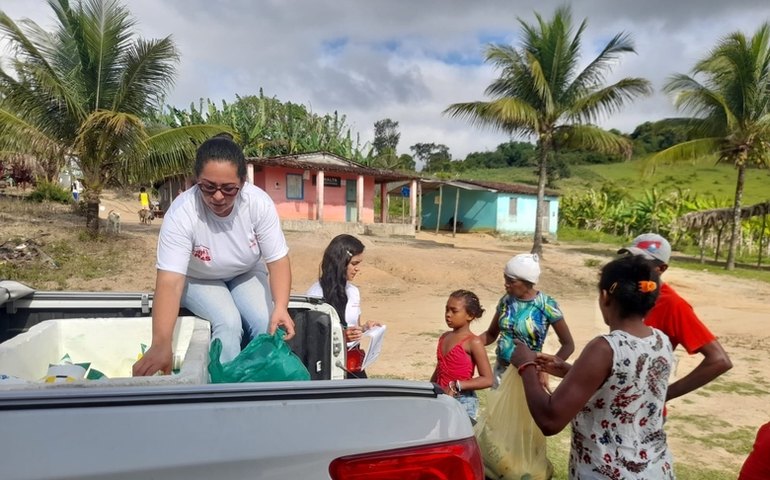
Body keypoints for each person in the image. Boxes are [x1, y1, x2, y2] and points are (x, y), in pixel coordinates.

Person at [133, 136, 294, 376]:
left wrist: (281, 306)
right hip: (198, 278)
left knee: (266, 321)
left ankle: (260, 385)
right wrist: (161, 343)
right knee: (229, 323)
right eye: (208, 187)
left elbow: (278, 260)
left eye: (229, 189)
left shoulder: (258, 204)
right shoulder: (182, 213)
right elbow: (169, 282)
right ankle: (222, 389)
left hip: (245, 271)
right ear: (195, 180)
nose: (218, 196)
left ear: (243, 183)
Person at [514, 255, 675, 479]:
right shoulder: (661, 341)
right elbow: (624, 387)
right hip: (655, 469)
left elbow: (550, 420)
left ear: (605, 297)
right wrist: (570, 371)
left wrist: (526, 365)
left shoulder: (604, 348)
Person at [618, 233, 732, 401]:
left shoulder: (673, 305)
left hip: (643, 409)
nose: (631, 267)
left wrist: (663, 395)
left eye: (640, 263)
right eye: (629, 259)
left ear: (661, 269)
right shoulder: (625, 292)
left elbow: (719, 360)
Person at [479, 253, 574, 390]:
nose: (506, 284)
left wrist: (547, 368)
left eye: (511, 281)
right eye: (505, 279)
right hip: (501, 372)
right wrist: (467, 343)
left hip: (529, 375)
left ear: (527, 282)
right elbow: (491, 334)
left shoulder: (546, 305)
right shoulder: (506, 301)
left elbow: (568, 345)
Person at [307, 234, 380, 379]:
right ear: (340, 262)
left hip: (353, 362)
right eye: (354, 263)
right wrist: (340, 337)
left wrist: (365, 328)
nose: (358, 269)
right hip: (328, 365)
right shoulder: (316, 294)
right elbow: (311, 337)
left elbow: (355, 326)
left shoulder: (354, 292)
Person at [430, 289, 493, 420]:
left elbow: (487, 379)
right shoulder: (444, 337)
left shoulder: (473, 342)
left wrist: (456, 385)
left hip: (463, 401)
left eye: (454, 311)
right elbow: (440, 368)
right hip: (441, 398)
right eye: (446, 310)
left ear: (470, 315)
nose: (448, 314)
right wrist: (430, 388)